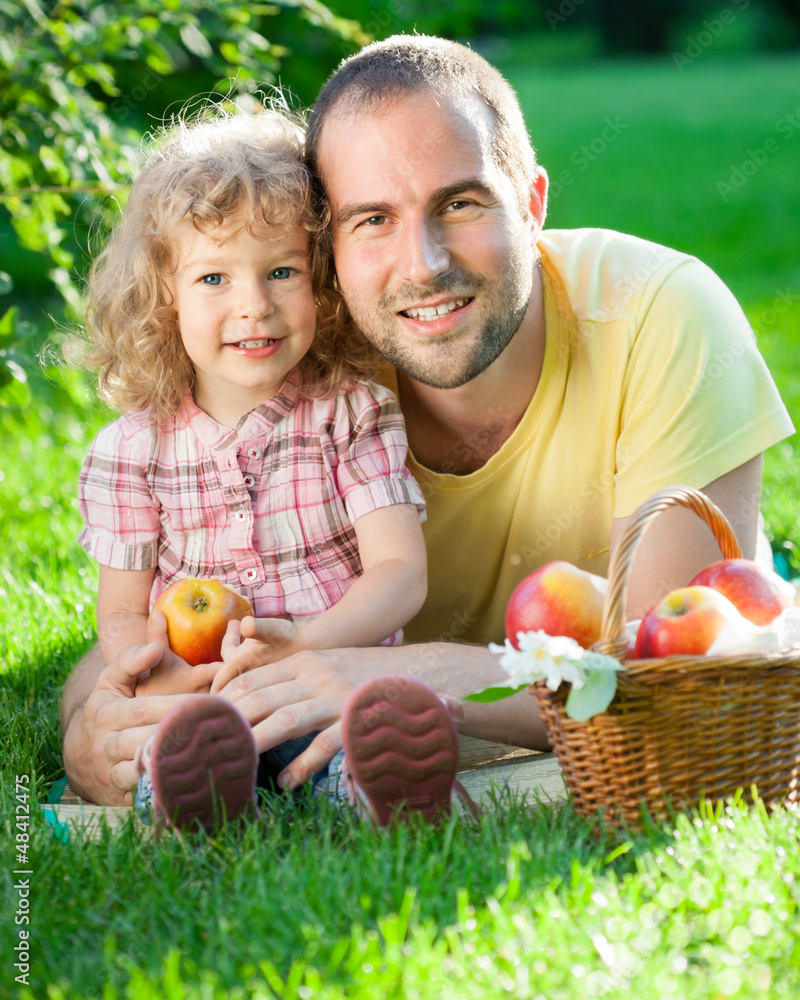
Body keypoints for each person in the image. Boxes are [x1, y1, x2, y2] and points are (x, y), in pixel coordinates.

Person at [61, 35, 794, 808]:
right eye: (372, 218)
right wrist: (89, 730)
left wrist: (420, 672)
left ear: (534, 202)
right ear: (328, 250)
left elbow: (664, 681)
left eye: (460, 202)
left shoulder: (662, 314)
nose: (424, 264)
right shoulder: (298, 368)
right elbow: (154, 612)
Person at [67, 105, 430, 821]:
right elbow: (120, 606)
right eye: (214, 280)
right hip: (199, 686)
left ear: (321, 283)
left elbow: (401, 572)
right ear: (163, 294)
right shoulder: (130, 451)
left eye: (281, 271)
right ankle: (195, 790)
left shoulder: (351, 413)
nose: (254, 306)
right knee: (181, 731)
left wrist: (313, 642)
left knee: (357, 726)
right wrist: (146, 663)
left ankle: (378, 782)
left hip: (328, 672)